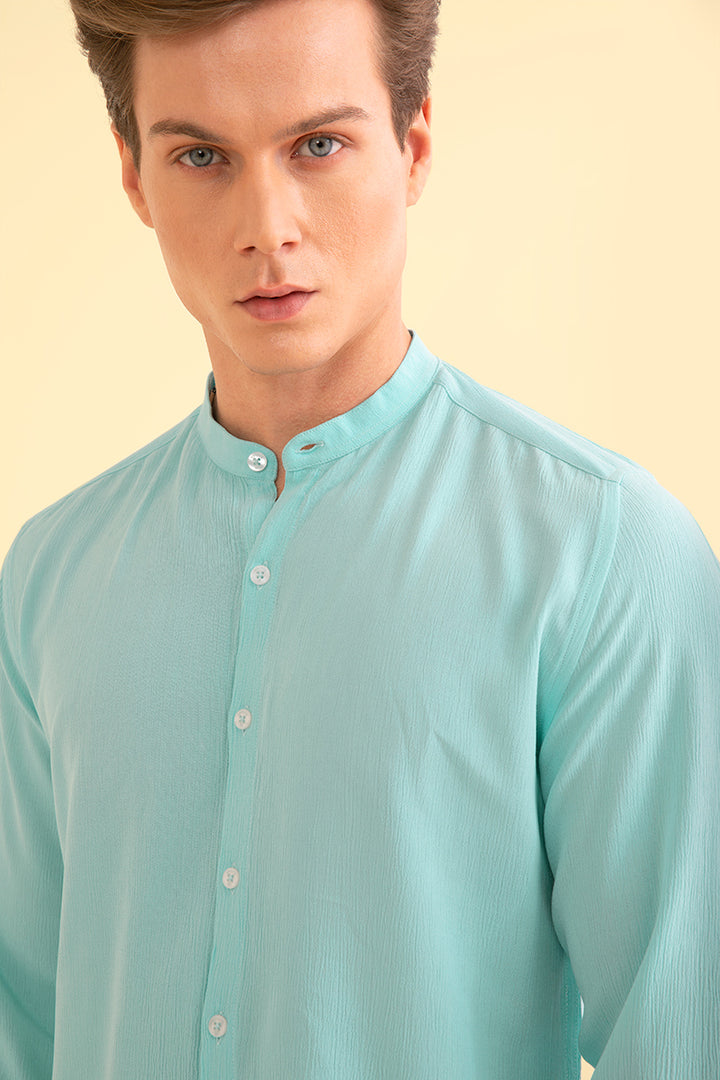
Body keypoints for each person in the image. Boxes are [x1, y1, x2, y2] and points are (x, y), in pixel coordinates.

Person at [1, 0, 718, 1076]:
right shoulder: (49, 576)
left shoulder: (605, 552)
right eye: (202, 156)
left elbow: (682, 1040)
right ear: (134, 177)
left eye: (318, 146)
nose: (268, 227)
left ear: (413, 144)